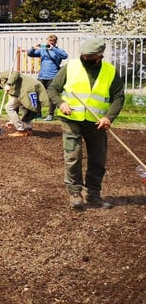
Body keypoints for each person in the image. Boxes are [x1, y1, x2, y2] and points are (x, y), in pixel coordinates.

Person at [47, 38, 125, 211]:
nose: (85, 59)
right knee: (73, 156)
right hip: (71, 119)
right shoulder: (70, 67)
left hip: (97, 122)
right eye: (83, 56)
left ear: (99, 56)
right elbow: (52, 89)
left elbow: (118, 97)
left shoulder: (110, 71)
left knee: (98, 158)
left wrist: (109, 117)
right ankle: (75, 193)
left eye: (90, 57)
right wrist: (61, 103)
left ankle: (94, 194)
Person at [0, 70, 49, 137]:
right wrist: (12, 121)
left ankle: (21, 130)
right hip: (28, 90)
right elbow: (15, 108)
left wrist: (8, 84)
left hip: (26, 90)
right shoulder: (9, 89)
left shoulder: (2, 75)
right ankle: (29, 129)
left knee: (8, 107)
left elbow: (15, 73)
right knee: (25, 108)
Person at [27, 34, 68, 121]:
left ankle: (50, 114)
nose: (48, 43)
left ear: (55, 42)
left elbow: (65, 56)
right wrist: (33, 48)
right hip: (42, 76)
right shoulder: (43, 50)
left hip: (53, 77)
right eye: (47, 41)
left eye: (50, 42)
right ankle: (38, 114)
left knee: (52, 96)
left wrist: (52, 48)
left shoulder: (58, 51)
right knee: (36, 94)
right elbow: (30, 54)